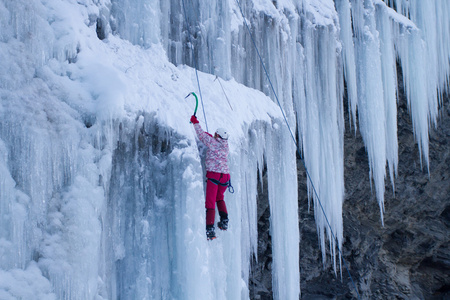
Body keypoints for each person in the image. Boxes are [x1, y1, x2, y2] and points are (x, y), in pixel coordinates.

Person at [190, 115, 230, 240]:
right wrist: (211, 137)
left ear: (217, 136)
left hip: (214, 175)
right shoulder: (225, 146)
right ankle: (224, 221)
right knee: (220, 198)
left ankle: (210, 230)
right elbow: (210, 138)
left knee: (210, 202)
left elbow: (202, 136)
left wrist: (195, 122)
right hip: (225, 177)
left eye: (215, 134)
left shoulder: (213, 143)